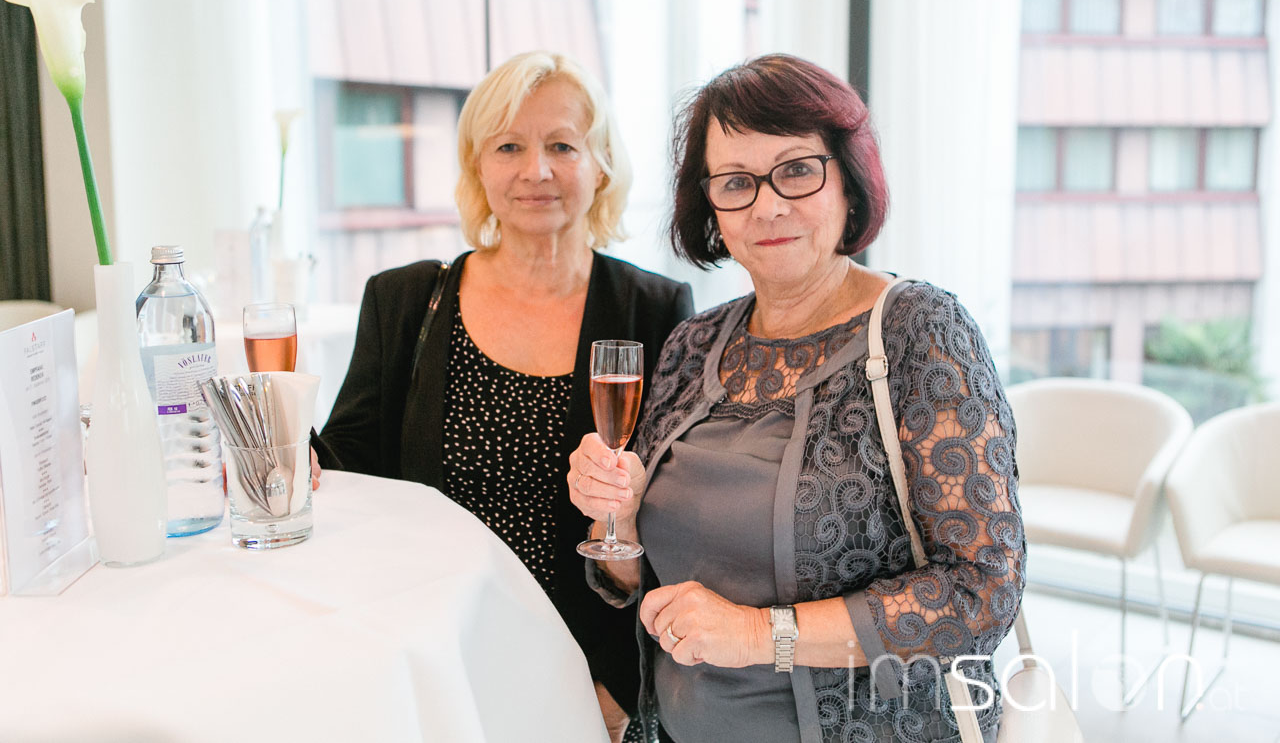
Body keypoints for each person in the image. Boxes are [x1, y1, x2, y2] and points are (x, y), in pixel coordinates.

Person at [567, 54, 1025, 743]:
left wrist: (759, 634)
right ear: (711, 208)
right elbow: (634, 582)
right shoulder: (694, 345)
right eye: (736, 182)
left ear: (849, 181)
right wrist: (620, 519)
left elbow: (982, 590)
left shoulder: (918, 331)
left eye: (798, 170)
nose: (768, 205)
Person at [313, 51, 694, 741]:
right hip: (435, 669)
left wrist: (615, 687)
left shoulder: (654, 309)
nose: (536, 170)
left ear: (602, 164)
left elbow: (675, 522)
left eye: (562, 146)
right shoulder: (405, 301)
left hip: (587, 681)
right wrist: (279, 449)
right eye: (509, 147)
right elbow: (345, 468)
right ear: (477, 167)